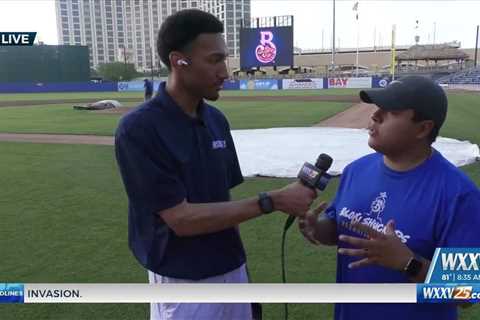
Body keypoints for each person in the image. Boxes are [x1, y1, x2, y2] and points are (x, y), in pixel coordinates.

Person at [115, 9, 316, 320]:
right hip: (182, 282)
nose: (225, 72)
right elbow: (181, 220)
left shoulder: (216, 120)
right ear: (178, 61)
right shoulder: (139, 128)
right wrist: (272, 201)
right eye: (214, 60)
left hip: (232, 269)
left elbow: (221, 201)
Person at [299, 75, 480, 320]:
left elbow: (466, 292)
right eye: (378, 108)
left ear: (423, 128)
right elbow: (338, 228)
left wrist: (409, 263)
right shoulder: (356, 170)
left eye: (391, 111)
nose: (375, 115)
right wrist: (316, 228)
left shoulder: (459, 195)